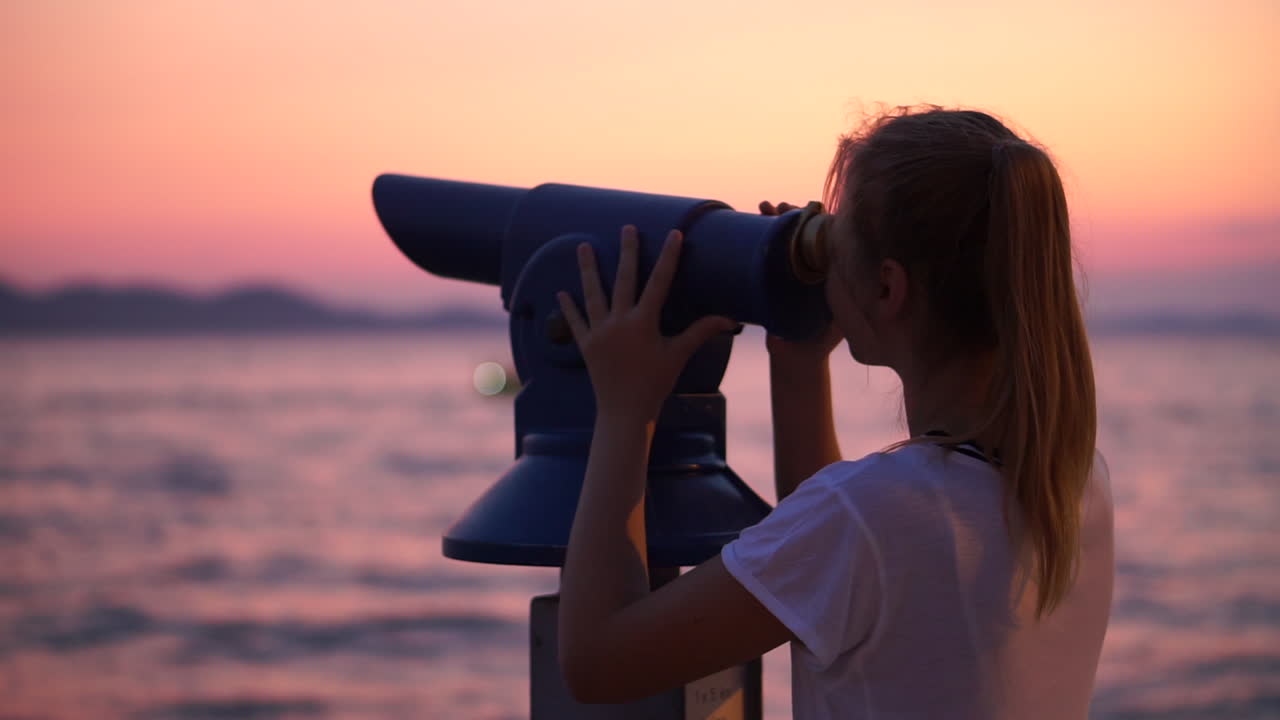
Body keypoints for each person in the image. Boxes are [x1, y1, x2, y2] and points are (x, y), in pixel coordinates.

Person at [553, 105, 1114, 719]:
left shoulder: (875, 513)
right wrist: (797, 365)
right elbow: (837, 578)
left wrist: (626, 411)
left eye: (835, 245)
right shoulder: (1074, 478)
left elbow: (598, 661)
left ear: (886, 288)